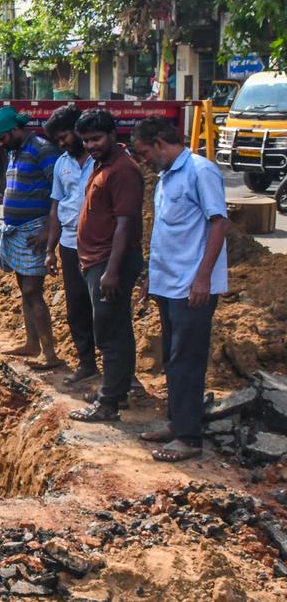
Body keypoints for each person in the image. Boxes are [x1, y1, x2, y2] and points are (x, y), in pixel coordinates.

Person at [130, 117, 228, 462]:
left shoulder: (200, 172)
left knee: (186, 359)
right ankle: (177, 422)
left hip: (192, 287)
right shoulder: (166, 176)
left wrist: (203, 277)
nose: (143, 160)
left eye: (144, 152)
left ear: (159, 142)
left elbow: (219, 223)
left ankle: (189, 437)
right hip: (169, 284)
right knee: (173, 358)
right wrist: (151, 279)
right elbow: (167, 234)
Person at [68, 110, 145, 423]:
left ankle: (108, 403)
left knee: (109, 333)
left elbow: (126, 223)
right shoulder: (102, 164)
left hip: (110, 261)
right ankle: (118, 391)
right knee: (116, 328)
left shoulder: (123, 171)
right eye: (86, 140)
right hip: (97, 260)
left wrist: (112, 271)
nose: (91, 145)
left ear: (113, 135)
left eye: (96, 138)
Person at [0, 106, 63, 370]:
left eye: (3, 138)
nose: (0, 144)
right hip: (18, 231)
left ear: (16, 129)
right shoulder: (15, 151)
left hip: (36, 231)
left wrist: (48, 232)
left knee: (33, 290)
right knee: (24, 289)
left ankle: (49, 353)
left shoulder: (42, 149)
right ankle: (32, 343)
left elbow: (60, 193)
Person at [43, 106, 100, 385]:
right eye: (57, 140)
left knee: (104, 309)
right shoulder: (61, 164)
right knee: (76, 307)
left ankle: (119, 374)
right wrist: (50, 250)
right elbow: (56, 206)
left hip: (99, 247)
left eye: (64, 136)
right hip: (68, 245)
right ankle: (86, 363)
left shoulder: (102, 161)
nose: (62, 143)